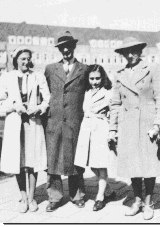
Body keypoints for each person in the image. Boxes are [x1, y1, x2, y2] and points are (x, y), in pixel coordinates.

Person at [109, 37, 160, 220]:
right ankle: (137, 200)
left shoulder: (153, 69)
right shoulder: (119, 74)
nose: (131, 54)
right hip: (128, 125)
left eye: (134, 50)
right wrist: (113, 129)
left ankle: (148, 203)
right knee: (132, 164)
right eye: (126, 52)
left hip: (148, 124)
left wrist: (159, 123)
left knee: (149, 163)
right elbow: (115, 103)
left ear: (140, 51)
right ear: (122, 54)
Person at [0, 46, 50, 213]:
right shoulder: (7, 77)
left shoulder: (38, 76)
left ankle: (32, 197)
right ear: (16, 60)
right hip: (15, 123)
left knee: (32, 161)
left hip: (33, 122)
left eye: (28, 58)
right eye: (23, 59)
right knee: (18, 161)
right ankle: (22, 196)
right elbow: (1, 102)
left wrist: (39, 108)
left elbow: (47, 99)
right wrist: (14, 106)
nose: (26, 61)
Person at [44, 31, 89, 212]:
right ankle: (54, 197)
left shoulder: (84, 69)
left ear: (74, 47)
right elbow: (46, 91)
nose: (66, 50)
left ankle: (77, 195)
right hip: (54, 122)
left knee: (74, 159)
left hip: (74, 121)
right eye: (62, 47)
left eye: (69, 47)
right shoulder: (50, 69)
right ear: (59, 50)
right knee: (53, 159)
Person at [74, 64, 112, 211]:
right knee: (89, 162)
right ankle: (107, 188)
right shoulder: (86, 92)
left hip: (100, 128)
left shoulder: (108, 92)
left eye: (97, 78)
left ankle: (100, 197)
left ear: (102, 78)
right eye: (92, 78)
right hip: (86, 128)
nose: (94, 81)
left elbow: (115, 110)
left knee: (101, 164)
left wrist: (111, 127)